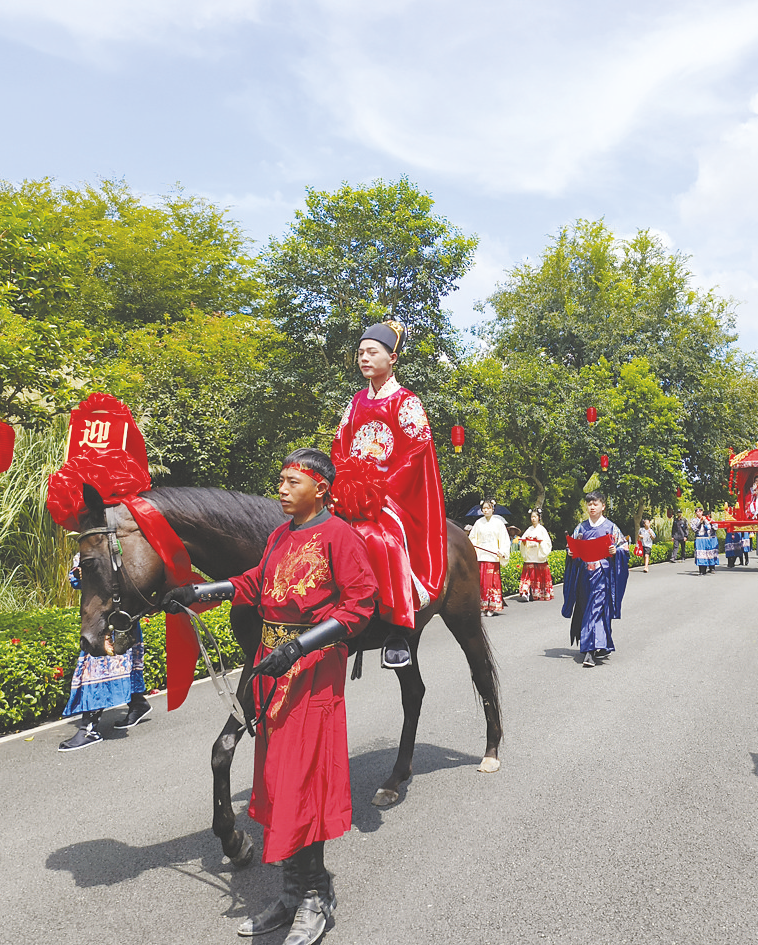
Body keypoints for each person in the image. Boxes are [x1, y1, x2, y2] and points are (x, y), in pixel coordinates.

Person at [164, 449, 377, 945]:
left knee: (306, 779)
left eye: (291, 481)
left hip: (312, 668)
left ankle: (317, 896)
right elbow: (255, 583)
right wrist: (200, 592)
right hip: (271, 667)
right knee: (280, 778)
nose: (280, 489)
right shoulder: (280, 535)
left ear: (321, 487)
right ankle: (289, 892)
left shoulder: (339, 536)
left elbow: (359, 606)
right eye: (279, 480)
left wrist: (299, 645)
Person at [331, 320, 446, 670]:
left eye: (372, 352)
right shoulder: (356, 401)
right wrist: (342, 481)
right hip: (351, 492)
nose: (364, 358)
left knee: (381, 541)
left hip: (392, 495)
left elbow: (416, 451)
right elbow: (340, 445)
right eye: (361, 352)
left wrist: (381, 489)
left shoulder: (406, 402)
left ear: (392, 357)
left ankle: (397, 627)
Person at [58, 611, 152, 751]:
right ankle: (137, 703)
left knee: (98, 666)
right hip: (121, 612)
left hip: (107, 616)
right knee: (124, 660)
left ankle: (89, 728)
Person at [562, 492, 629, 667]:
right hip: (584, 576)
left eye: (596, 504)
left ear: (603, 506)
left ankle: (590, 651)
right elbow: (572, 548)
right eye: (589, 504)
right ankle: (603, 643)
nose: (592, 507)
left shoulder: (611, 527)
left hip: (602, 575)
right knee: (588, 609)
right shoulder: (581, 528)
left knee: (596, 609)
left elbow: (624, 547)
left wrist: (617, 552)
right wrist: (570, 553)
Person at [470, 499, 510, 616]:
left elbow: (504, 540)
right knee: (481, 583)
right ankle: (483, 606)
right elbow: (472, 538)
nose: (485, 510)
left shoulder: (499, 523)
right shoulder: (478, 523)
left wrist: (502, 551)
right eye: (484, 508)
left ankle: (491, 606)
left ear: (493, 509)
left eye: (488, 508)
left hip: (492, 557)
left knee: (491, 583)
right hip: (481, 556)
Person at [518, 508, 554, 601]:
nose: (533, 519)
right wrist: (524, 542)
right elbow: (523, 541)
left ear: (539, 518)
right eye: (532, 517)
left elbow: (547, 543)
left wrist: (540, 541)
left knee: (539, 576)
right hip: (530, 556)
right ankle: (526, 592)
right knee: (528, 576)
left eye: (535, 517)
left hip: (538, 555)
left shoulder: (542, 530)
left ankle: (540, 593)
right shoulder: (528, 530)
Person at [692, 507, 719, 574]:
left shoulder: (707, 519)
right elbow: (694, 529)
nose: (699, 513)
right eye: (697, 512)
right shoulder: (694, 520)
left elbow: (711, 528)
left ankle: (711, 567)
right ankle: (702, 570)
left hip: (706, 538)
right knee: (700, 554)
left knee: (707, 554)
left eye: (700, 511)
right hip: (699, 538)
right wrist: (700, 522)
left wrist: (707, 521)